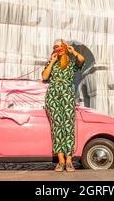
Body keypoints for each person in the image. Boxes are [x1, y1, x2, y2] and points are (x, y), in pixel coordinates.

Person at [42, 39, 85, 172]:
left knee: (68, 126)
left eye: (61, 46)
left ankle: (69, 161)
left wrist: (74, 51)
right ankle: (60, 161)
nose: (58, 48)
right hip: (53, 96)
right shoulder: (51, 63)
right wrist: (52, 61)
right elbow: (44, 76)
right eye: (55, 47)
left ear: (65, 47)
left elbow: (82, 60)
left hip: (67, 94)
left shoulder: (71, 64)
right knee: (57, 127)